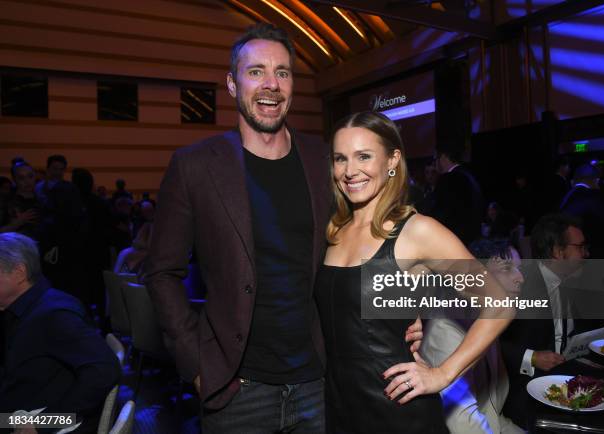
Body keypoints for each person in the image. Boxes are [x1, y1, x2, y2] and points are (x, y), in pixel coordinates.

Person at [143, 24, 424, 433]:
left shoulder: (324, 159)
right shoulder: (195, 166)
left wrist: (404, 301)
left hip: (320, 379)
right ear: (232, 84)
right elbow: (161, 272)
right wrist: (197, 365)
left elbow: (367, 239)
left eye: (283, 72)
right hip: (236, 387)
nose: (271, 84)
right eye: (255, 71)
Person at [315, 111, 513, 434]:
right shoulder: (334, 229)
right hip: (338, 409)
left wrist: (443, 373)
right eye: (340, 159)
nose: (350, 171)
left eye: (364, 156)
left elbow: (500, 303)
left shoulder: (418, 231)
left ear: (392, 160)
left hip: (398, 413)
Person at [0, 232, 120, 433]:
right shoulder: (34, 303)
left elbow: (105, 370)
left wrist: (46, 423)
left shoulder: (53, 315)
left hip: (19, 419)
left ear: (19, 273)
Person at [421, 238, 525, 434]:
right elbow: (465, 426)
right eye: (507, 268)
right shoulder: (445, 333)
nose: (520, 277)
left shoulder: (486, 324)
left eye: (520, 269)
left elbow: (493, 417)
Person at [500, 213, 589, 428]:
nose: (587, 253)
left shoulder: (571, 281)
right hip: (524, 389)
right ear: (559, 252)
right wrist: (531, 357)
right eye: (580, 247)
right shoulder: (519, 285)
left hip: (564, 376)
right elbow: (490, 342)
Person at [430, 145, 485, 246]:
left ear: (444, 157)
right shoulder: (470, 177)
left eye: (435, 158)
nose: (434, 164)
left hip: (454, 243)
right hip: (473, 243)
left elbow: (440, 213)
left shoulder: (448, 179)